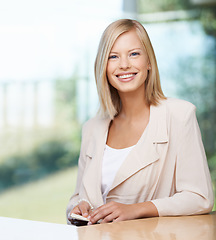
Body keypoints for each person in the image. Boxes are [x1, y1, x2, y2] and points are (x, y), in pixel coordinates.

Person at [66, 19, 214, 225]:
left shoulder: (179, 115)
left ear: (149, 62)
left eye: (134, 54)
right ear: (104, 66)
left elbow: (200, 197)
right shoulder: (92, 128)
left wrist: (137, 210)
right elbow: (78, 197)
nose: (124, 64)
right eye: (113, 56)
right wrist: (78, 207)